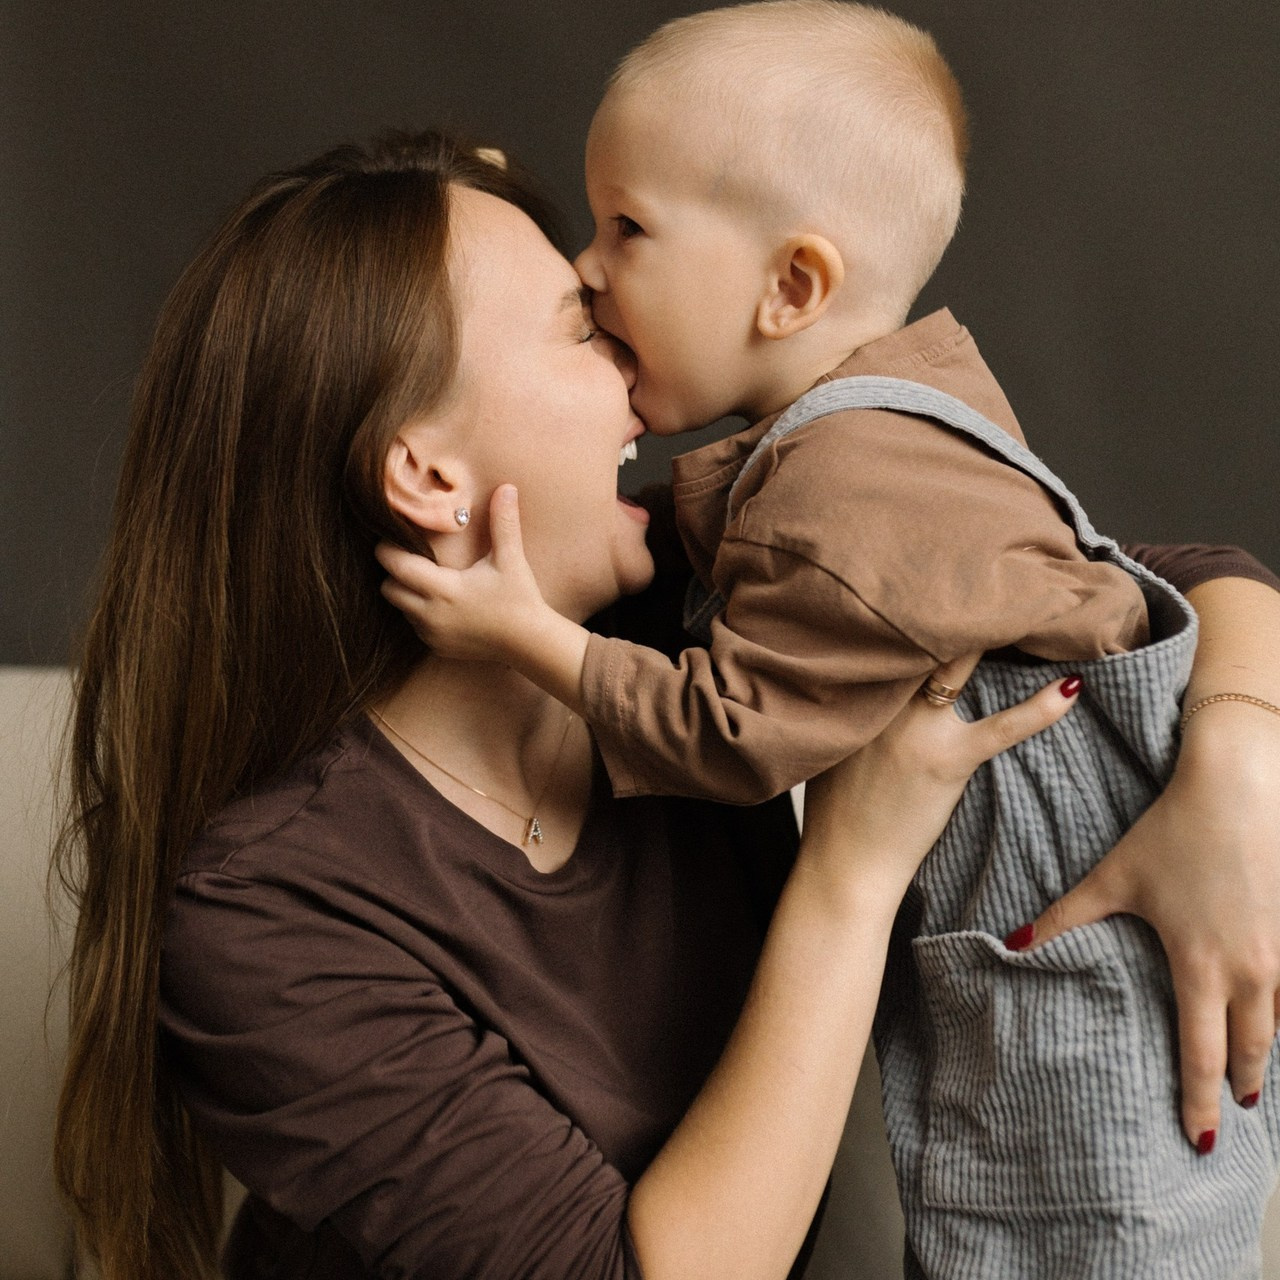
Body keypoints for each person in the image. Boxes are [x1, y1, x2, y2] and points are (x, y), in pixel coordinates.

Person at [51, 131, 1278, 1280]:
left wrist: (1231, 776)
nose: (635, 361)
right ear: (426, 475)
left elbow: (1159, 578)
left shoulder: (685, 625)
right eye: (580, 330)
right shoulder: (269, 918)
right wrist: (850, 865)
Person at [373, 3, 1280, 1274]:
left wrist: (527, 633)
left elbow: (726, 730)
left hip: (1079, 978)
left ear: (790, 285)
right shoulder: (911, 413)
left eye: (624, 228)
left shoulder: (832, 507)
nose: (590, 268)